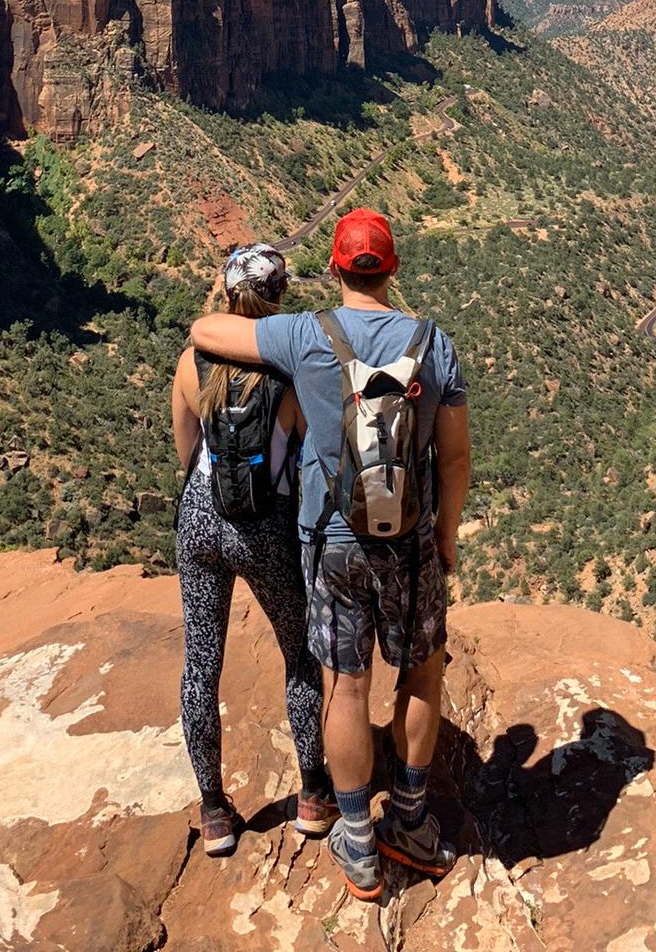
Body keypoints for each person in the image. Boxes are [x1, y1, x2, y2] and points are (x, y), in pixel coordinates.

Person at [191, 207, 471, 903]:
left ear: (338, 268)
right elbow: (457, 456)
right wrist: (446, 537)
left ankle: (355, 837)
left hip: (332, 543)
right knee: (423, 677)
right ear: (393, 267)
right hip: (410, 544)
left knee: (346, 686)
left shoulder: (305, 337)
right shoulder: (434, 345)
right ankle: (409, 819)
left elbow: (206, 331)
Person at [172, 242, 337, 856]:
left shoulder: (192, 364)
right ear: (279, 297)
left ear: (225, 292)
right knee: (299, 655)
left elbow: (185, 449)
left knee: (200, 665)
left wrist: (215, 496)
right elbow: (308, 453)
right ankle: (315, 793)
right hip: (265, 526)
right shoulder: (288, 374)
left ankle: (214, 810)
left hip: (200, 518)